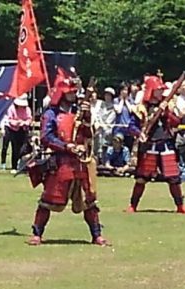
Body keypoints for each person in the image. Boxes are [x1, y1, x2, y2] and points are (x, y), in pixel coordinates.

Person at [27, 76, 110, 247]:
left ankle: (96, 235)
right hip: (61, 163)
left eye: (74, 92)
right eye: (70, 92)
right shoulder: (51, 114)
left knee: (89, 200)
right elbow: (46, 137)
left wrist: (86, 115)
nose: (73, 95)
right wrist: (67, 146)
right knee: (48, 199)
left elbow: (87, 134)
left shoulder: (78, 110)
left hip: (80, 163)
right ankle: (37, 234)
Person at [125, 74, 185, 214]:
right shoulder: (142, 107)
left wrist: (166, 111)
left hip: (166, 144)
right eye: (158, 89)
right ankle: (133, 205)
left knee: (174, 178)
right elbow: (131, 126)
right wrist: (140, 134)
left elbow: (176, 122)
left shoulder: (168, 104)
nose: (161, 92)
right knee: (142, 177)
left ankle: (180, 206)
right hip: (149, 145)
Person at [6, 94, 33, 173]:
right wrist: (17, 123)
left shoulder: (27, 109)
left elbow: (29, 118)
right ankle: (14, 166)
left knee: (24, 148)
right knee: (15, 148)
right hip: (13, 130)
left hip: (24, 130)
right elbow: (10, 120)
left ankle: (22, 164)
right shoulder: (11, 108)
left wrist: (25, 123)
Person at [92, 88, 117, 161]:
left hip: (108, 128)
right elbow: (98, 115)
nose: (107, 97)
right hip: (99, 127)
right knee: (97, 136)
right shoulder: (101, 104)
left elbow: (111, 118)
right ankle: (96, 157)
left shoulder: (113, 107)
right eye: (106, 95)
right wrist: (98, 123)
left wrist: (104, 125)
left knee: (105, 138)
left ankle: (104, 158)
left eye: (109, 95)